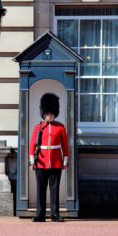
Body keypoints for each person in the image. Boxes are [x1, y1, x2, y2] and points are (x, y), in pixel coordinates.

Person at [29, 93, 69, 222]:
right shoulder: (38, 127)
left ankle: (54, 214)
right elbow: (32, 145)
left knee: (54, 189)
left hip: (56, 162)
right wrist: (32, 162)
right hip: (41, 162)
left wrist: (65, 161)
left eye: (51, 114)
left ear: (54, 114)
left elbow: (65, 145)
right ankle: (40, 214)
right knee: (41, 189)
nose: (49, 116)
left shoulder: (60, 127)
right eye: (47, 114)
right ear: (43, 114)